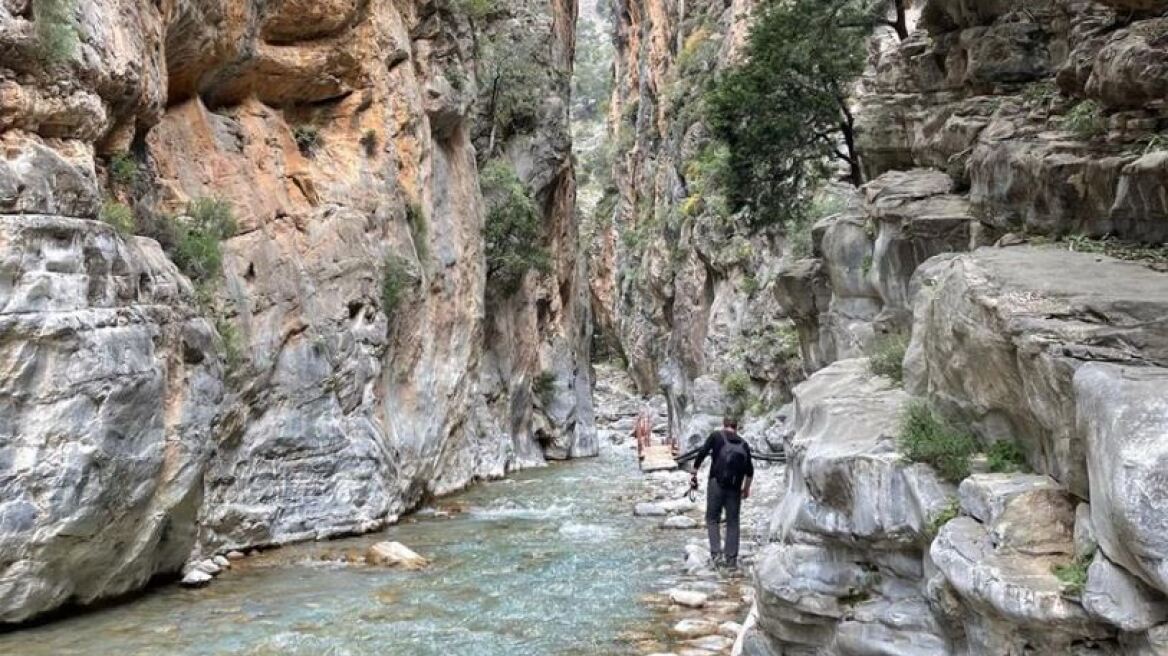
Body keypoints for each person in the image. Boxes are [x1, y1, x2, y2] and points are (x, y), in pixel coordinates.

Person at [690, 416, 753, 570]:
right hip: (735, 488)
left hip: (716, 483)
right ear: (736, 427)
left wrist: (694, 471)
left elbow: (703, 452)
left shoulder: (716, 436)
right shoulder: (744, 444)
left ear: (724, 425)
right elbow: (750, 471)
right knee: (733, 521)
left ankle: (716, 554)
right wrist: (746, 489)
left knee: (712, 518)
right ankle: (731, 560)